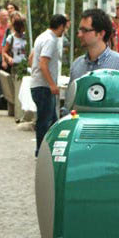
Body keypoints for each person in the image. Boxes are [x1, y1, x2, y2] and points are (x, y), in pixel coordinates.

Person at [70, 8, 119, 107]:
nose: (79, 35)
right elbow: (70, 103)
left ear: (101, 33)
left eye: (85, 30)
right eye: (79, 30)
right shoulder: (77, 65)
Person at [31, 14, 68, 156]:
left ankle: (50, 148)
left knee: (52, 120)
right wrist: (52, 84)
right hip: (43, 86)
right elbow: (43, 63)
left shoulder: (41, 37)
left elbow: (33, 57)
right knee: (45, 121)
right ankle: (41, 151)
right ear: (61, 26)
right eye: (65, 27)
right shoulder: (50, 40)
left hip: (38, 84)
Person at [2, 16, 27, 122]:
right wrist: (8, 58)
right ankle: (17, 114)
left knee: (24, 89)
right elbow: (4, 51)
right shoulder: (11, 38)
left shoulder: (26, 38)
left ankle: (24, 113)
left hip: (25, 65)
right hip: (16, 65)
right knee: (17, 89)